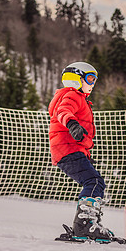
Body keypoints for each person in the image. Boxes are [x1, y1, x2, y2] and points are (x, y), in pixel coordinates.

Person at [48, 61, 115, 240]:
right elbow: (63, 111)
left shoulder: (78, 98)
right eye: (90, 78)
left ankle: (88, 222)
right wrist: (72, 124)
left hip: (69, 149)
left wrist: (85, 154)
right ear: (76, 78)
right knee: (94, 182)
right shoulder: (72, 95)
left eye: (95, 80)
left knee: (94, 181)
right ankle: (85, 225)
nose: (93, 84)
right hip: (67, 148)